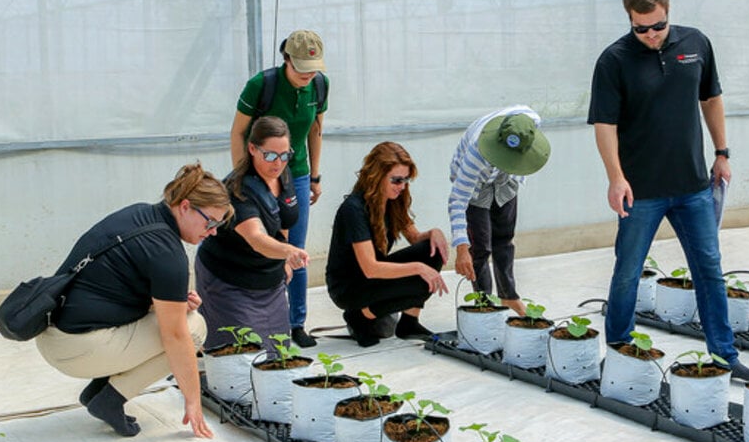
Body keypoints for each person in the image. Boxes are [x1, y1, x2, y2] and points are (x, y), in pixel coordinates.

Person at [587, 0, 749, 381]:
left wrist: (721, 152)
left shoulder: (695, 44)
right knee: (628, 271)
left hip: (693, 187)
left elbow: (711, 98)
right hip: (641, 192)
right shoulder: (614, 60)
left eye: (657, 26)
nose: (649, 35)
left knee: (709, 269)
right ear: (629, 20)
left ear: (668, 12)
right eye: (639, 28)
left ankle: (724, 354)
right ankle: (620, 349)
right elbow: (604, 124)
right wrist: (616, 178)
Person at [36, 163, 232, 438]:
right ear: (185, 206)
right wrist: (193, 400)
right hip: (76, 348)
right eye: (210, 222)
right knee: (193, 328)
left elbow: (113, 286)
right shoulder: (168, 253)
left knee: (176, 318)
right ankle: (110, 399)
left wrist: (169, 302)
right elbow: (176, 337)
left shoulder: (140, 214)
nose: (212, 232)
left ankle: (99, 390)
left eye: (218, 225)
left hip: (53, 334)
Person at [231, 29, 328, 347]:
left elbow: (316, 129)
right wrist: (241, 178)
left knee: (294, 250)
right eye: (300, 67)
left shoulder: (320, 85)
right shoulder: (263, 85)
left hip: (296, 173)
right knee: (257, 245)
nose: (307, 74)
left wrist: (314, 176)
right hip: (258, 171)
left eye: (313, 67)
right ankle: (253, 321)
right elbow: (238, 132)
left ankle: (295, 322)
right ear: (286, 59)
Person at [196, 116, 310, 352]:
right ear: (252, 148)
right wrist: (287, 252)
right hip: (229, 280)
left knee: (279, 352)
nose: (277, 163)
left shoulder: (283, 175)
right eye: (270, 155)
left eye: (284, 155)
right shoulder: (238, 189)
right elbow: (257, 238)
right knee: (241, 354)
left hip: (267, 279)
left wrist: (284, 261)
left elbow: (283, 221)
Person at [326, 141, 449, 347]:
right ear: (377, 176)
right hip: (349, 287)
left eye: (406, 180)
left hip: (373, 279)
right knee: (420, 280)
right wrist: (419, 268)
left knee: (432, 251)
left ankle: (409, 323)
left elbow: (415, 237)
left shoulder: (393, 200)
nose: (402, 186)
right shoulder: (353, 209)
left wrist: (434, 233)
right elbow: (370, 268)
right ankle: (360, 316)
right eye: (396, 180)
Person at [447, 107, 551, 317]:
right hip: (477, 186)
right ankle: (485, 303)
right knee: (480, 247)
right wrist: (461, 247)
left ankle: (509, 295)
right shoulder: (475, 156)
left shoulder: (530, 121)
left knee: (504, 239)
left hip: (504, 181)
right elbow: (457, 200)